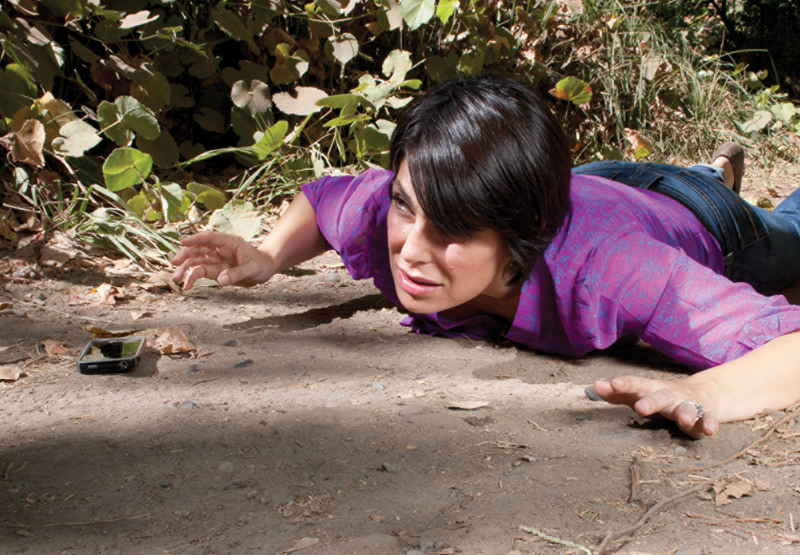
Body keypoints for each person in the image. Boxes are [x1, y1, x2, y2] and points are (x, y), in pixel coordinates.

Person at [171, 74, 800, 439]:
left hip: (695, 219)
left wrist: (708, 390)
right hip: (588, 179)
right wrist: (269, 255)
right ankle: (706, 168)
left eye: (453, 231)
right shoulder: (387, 213)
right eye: (408, 208)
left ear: (522, 242)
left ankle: (709, 181)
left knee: (790, 232)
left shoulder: (617, 272)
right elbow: (327, 196)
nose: (409, 253)